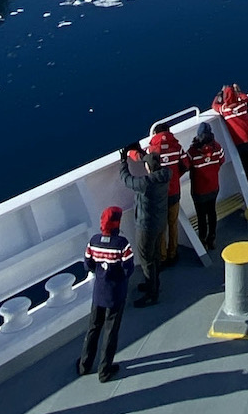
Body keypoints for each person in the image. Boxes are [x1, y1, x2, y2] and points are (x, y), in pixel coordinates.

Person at [78, 206, 132, 382]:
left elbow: (88, 264)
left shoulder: (93, 241)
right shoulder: (122, 244)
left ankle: (84, 365)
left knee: (93, 328)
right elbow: (128, 269)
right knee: (110, 331)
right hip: (115, 295)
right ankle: (104, 370)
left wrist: (102, 274)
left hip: (98, 293)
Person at [118, 144, 173, 306]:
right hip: (160, 222)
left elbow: (127, 179)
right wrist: (142, 154)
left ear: (148, 167)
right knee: (155, 255)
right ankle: (154, 284)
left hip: (146, 226)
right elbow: (150, 163)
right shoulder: (166, 174)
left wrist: (123, 162)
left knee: (146, 259)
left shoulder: (146, 183)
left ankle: (152, 294)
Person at [213, 83, 248, 204]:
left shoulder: (225, 110)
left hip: (240, 146)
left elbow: (214, 105)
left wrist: (219, 95)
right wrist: (238, 92)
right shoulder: (244, 105)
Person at [146, 127, 186, 268]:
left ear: (155, 134)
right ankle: (173, 253)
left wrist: (131, 151)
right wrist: (175, 177)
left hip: (160, 196)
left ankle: (162, 257)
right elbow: (186, 164)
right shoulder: (177, 147)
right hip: (174, 193)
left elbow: (142, 158)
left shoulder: (152, 150)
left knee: (161, 228)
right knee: (173, 224)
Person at [185, 121, 226, 252]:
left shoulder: (192, 152)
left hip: (199, 190)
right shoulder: (217, 148)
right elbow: (221, 161)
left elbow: (185, 165)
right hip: (213, 187)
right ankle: (212, 237)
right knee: (212, 212)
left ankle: (202, 239)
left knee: (201, 215)